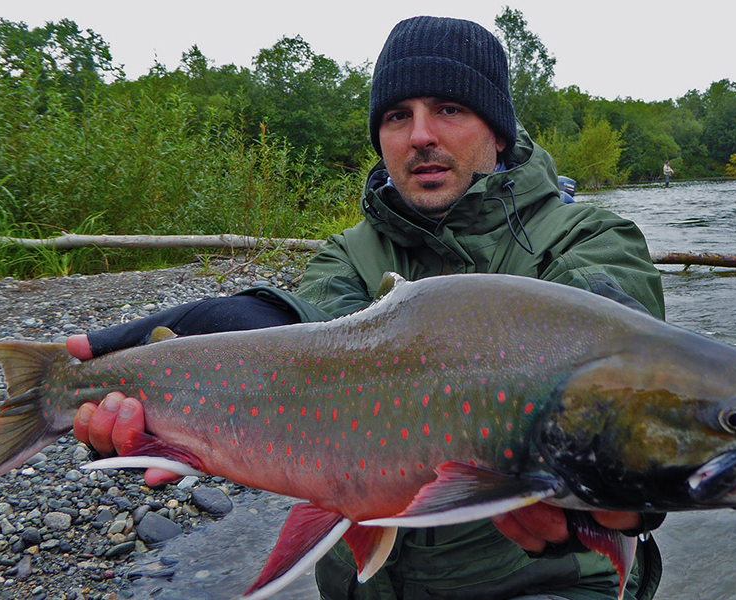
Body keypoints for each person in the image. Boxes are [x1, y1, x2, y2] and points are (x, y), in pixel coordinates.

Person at [68, 16, 666, 600]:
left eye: (448, 109)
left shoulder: (588, 237)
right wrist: (233, 338)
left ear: (499, 131)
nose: (421, 135)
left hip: (550, 583)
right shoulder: (349, 254)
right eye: (397, 116)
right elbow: (316, 328)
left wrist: (632, 476)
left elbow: (627, 360)